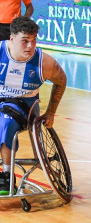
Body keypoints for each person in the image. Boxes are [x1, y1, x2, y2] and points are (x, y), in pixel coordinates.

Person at [0, 16, 67, 195]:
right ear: (12, 39)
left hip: (24, 107)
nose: (30, 46)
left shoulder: (44, 62)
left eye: (34, 40)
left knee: (4, 123)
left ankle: (7, 177)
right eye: (25, 41)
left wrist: (51, 112)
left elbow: (61, 81)